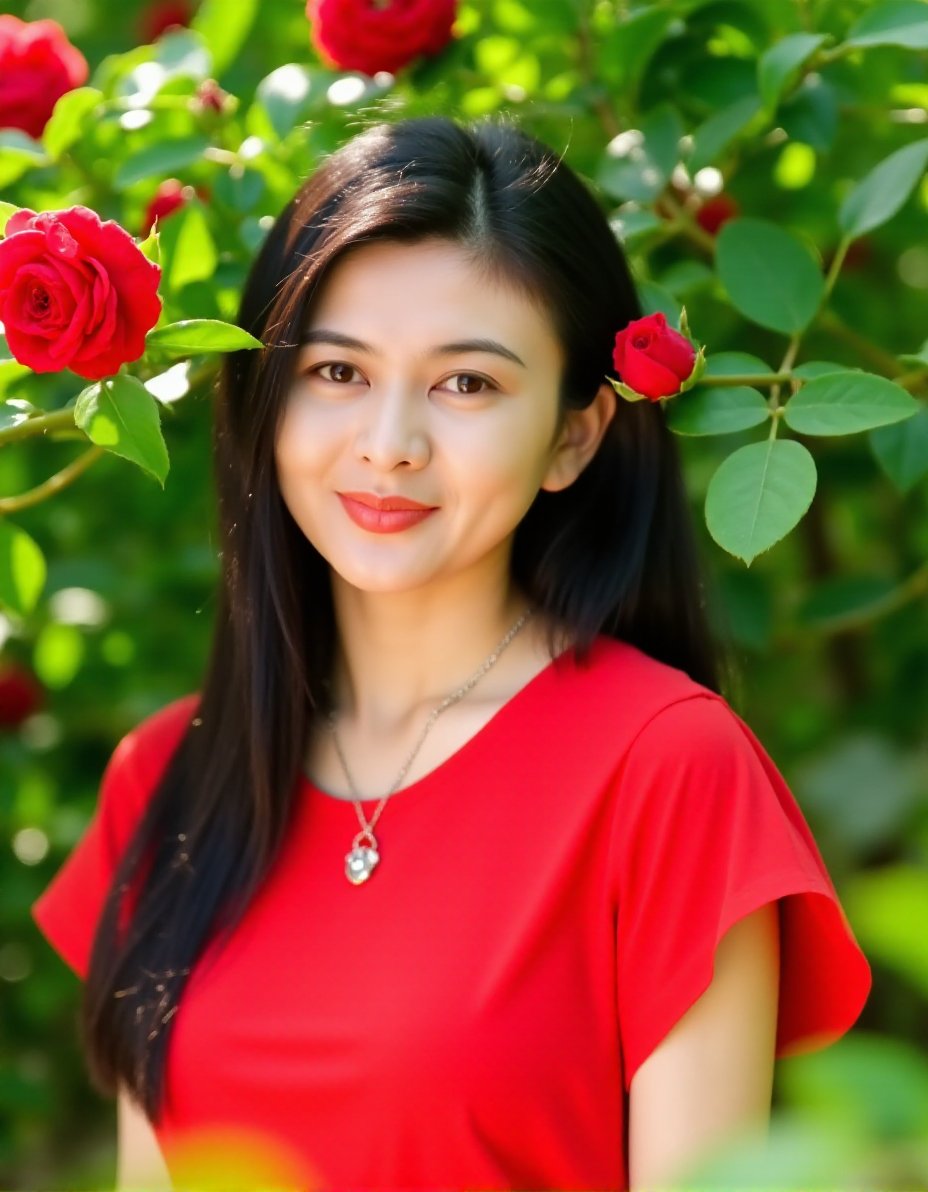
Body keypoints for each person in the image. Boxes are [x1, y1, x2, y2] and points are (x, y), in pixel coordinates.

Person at [31, 113, 872, 1191]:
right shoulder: (168, 778)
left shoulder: (666, 771)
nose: (389, 443)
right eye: (337, 371)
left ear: (574, 436)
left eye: (465, 383)